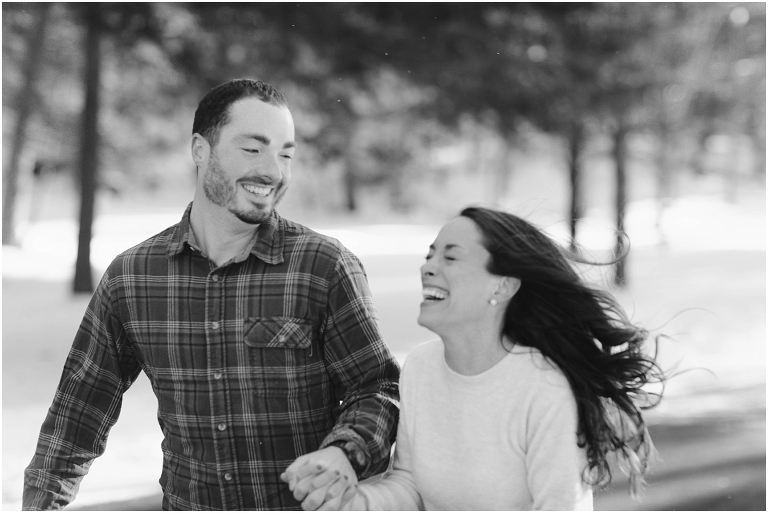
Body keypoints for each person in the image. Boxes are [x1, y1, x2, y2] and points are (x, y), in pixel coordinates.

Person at [23, 79, 400, 511]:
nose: (273, 171)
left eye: (285, 153)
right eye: (253, 149)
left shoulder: (323, 266)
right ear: (200, 150)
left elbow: (380, 387)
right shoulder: (133, 278)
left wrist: (344, 451)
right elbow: (77, 413)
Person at [287, 206, 664, 511]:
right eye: (430, 255)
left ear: (502, 285)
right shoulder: (421, 368)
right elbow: (412, 486)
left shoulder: (542, 385)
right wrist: (352, 502)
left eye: (451, 257)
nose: (428, 266)